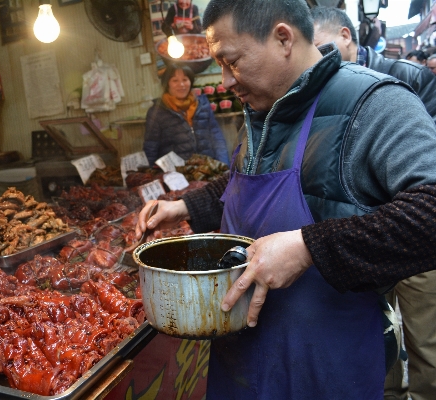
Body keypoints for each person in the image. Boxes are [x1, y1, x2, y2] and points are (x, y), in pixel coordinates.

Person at [135, 0, 436, 399]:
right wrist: (185, 207)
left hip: (324, 370)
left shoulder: (374, 103)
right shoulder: (260, 109)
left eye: (232, 62)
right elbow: (239, 183)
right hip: (240, 366)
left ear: (282, 38)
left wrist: (308, 247)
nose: (225, 81)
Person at [312, 8, 436, 399]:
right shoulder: (319, 91)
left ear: (346, 36)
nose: (317, 59)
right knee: (374, 340)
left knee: (427, 344)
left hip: (412, 229)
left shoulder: (408, 77)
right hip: (360, 240)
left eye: (322, 47)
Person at [312, 6, 436, 124]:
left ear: (345, 36)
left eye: (318, 49)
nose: (314, 59)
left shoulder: (412, 76)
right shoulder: (316, 89)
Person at [143, 63, 229, 166]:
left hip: (206, 169)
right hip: (175, 173)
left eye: (185, 79)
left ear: (190, 81)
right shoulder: (156, 112)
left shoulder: (202, 104)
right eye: (175, 80)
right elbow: (151, 146)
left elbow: (217, 138)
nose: (181, 85)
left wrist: (223, 165)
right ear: (167, 84)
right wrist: (151, 173)